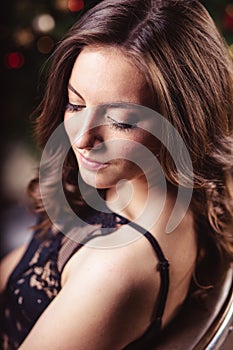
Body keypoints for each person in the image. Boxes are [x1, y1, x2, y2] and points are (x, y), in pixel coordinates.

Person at [1, 0, 233, 349]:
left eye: (121, 122)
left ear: (183, 123)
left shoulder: (117, 270)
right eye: (75, 104)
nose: (80, 139)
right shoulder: (147, 186)